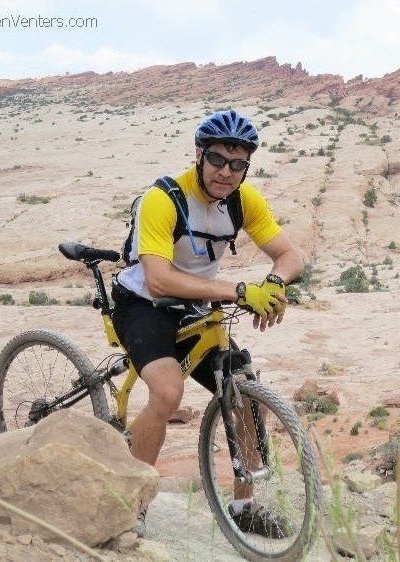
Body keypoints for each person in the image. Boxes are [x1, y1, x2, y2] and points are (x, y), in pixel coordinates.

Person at [111, 109, 303, 537]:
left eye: (238, 165)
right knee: (166, 392)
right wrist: (238, 290)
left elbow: (291, 256)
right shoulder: (163, 199)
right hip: (144, 303)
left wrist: (274, 283)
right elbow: (159, 281)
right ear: (199, 154)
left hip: (197, 306)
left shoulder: (242, 200)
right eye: (217, 159)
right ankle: (132, 505)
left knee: (245, 394)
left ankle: (242, 506)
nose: (226, 172)